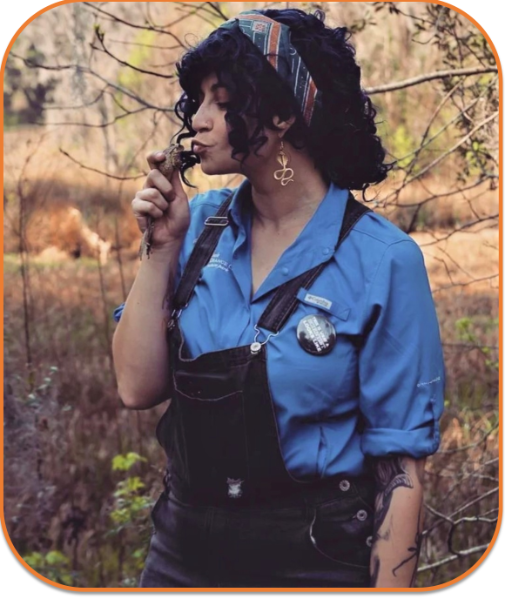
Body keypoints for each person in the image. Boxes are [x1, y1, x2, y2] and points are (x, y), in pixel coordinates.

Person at [112, 8, 445, 589]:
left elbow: (402, 472)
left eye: (221, 101)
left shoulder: (382, 259)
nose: (198, 119)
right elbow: (136, 387)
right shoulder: (197, 227)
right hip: (182, 552)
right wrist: (159, 250)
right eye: (197, 100)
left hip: (315, 558)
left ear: (284, 113)